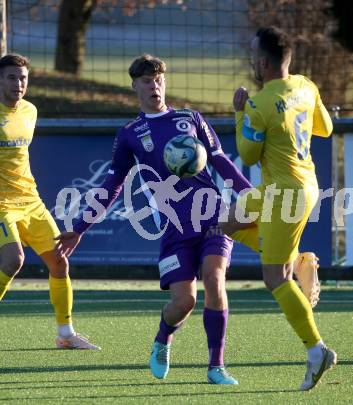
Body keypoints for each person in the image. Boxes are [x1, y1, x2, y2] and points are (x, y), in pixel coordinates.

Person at [55, 54, 253, 385]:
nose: (154, 85)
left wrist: (251, 194)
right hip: (176, 227)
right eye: (147, 81)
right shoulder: (130, 133)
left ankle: (216, 366)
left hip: (212, 217)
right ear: (135, 86)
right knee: (183, 302)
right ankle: (163, 339)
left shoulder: (191, 118)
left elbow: (220, 161)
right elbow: (112, 185)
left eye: (159, 79)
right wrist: (79, 229)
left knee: (215, 280)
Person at [220, 27, 337, 391]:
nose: (252, 59)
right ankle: (300, 261)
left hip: (283, 196)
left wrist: (239, 114)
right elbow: (326, 128)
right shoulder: (306, 85)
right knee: (224, 222)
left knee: (275, 278)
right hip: (300, 187)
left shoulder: (257, 104)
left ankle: (316, 351)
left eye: (254, 53)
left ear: (263, 62)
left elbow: (249, 153)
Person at [0, 53, 100, 350]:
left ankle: (66, 334)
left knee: (59, 262)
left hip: (31, 201)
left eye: (23, 78)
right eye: (11, 77)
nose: (19, 84)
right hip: (1, 204)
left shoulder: (30, 110)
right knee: (13, 260)